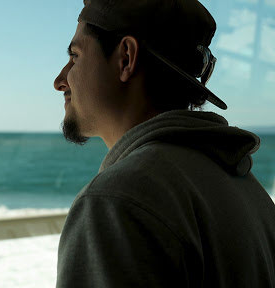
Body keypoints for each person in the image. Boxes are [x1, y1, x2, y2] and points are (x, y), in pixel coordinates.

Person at [53, 0, 275, 287]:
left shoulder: (115, 202)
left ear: (125, 58)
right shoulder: (246, 189)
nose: (60, 80)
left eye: (75, 56)